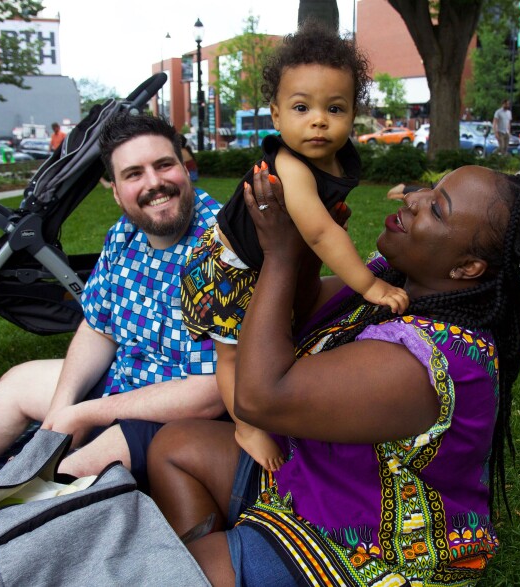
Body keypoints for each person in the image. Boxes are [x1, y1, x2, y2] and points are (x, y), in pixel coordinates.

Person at [148, 163, 520, 585]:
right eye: (428, 190)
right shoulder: (395, 282)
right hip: (320, 480)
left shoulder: (420, 366)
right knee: (175, 447)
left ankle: (230, 558)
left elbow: (259, 398)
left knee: (176, 570)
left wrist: (282, 256)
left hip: (362, 551)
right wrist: (309, 250)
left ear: (467, 268)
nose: (412, 199)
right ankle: (233, 555)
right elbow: (305, 312)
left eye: (436, 209)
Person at [0, 112, 224, 547]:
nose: (154, 183)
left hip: (180, 423)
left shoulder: (221, 247)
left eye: (164, 165)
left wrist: (83, 415)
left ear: (185, 166)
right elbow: (98, 327)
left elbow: (210, 393)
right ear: (114, 189)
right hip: (124, 387)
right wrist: (61, 408)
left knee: (55, 477)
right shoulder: (124, 235)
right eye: (134, 173)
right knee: (20, 381)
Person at [180, 21, 408, 473]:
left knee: (271, 334)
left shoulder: (337, 158)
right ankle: (246, 424)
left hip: (261, 265)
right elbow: (321, 233)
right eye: (301, 107)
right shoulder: (291, 164)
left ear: (353, 113)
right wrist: (370, 286)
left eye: (335, 108)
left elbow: (321, 223)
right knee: (234, 352)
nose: (319, 120)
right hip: (223, 269)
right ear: (277, 115)